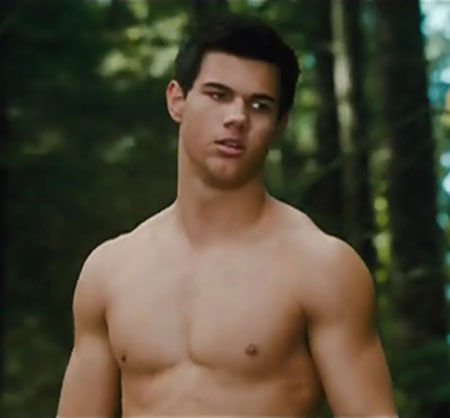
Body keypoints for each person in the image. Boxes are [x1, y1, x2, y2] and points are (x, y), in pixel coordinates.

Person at [57, 13, 397, 417]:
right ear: (177, 100)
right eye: (218, 95)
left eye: (259, 105)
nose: (237, 117)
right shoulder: (110, 272)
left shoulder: (320, 266)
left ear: (280, 124)